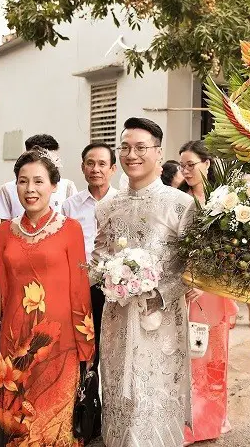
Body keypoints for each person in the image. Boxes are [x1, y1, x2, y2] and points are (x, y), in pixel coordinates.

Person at [92, 117, 195, 447]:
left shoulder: (180, 204)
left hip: (161, 321)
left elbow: (192, 265)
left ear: (158, 152)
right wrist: (100, 274)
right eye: (125, 147)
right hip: (118, 317)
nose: (131, 154)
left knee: (154, 396)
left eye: (140, 147)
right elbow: (98, 255)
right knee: (119, 393)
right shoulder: (108, 205)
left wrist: (162, 293)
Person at [0, 148, 95, 446]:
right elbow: (1, 288)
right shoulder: (4, 232)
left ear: (54, 186)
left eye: (38, 181)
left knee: (53, 419)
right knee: (15, 418)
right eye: (23, 182)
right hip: (14, 340)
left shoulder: (70, 229)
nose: (30, 189)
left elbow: (79, 287)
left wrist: (86, 346)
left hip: (59, 341)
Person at [178, 140, 238, 445]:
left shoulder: (225, 202)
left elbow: (233, 250)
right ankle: (189, 423)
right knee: (188, 359)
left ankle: (211, 421)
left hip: (213, 290)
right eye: (182, 165)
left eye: (191, 164)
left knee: (214, 358)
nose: (186, 170)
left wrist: (206, 280)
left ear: (207, 164)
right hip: (186, 291)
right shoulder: (179, 201)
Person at [62, 141, 118, 439]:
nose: (95, 169)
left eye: (101, 164)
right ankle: (86, 414)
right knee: (85, 351)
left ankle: (113, 414)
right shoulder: (70, 206)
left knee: (113, 351)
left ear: (113, 168)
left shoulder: (123, 202)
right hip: (80, 288)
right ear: (83, 167)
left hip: (116, 289)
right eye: (89, 163)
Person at [0, 134, 77, 221]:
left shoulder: (67, 187)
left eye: (55, 159)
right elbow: (5, 228)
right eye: (23, 181)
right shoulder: (7, 189)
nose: (30, 189)